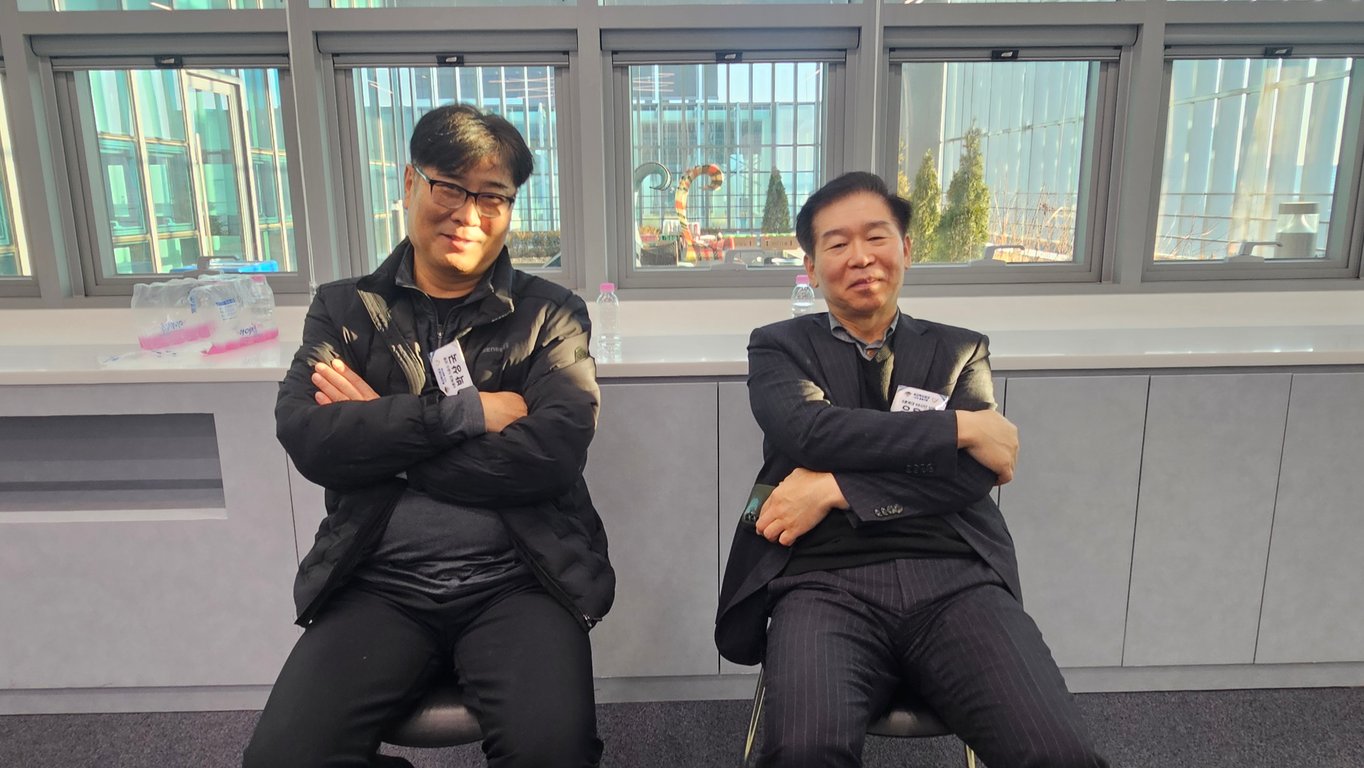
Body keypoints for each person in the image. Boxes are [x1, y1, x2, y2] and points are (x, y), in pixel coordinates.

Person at [244, 104, 613, 768]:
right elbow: (309, 436)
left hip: (520, 578)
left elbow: (551, 457)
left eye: (493, 196)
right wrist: (463, 416)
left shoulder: (552, 314)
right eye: (451, 187)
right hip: (378, 581)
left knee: (553, 753)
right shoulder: (345, 309)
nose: (469, 214)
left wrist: (387, 443)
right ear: (411, 183)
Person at [715, 171, 1107, 768]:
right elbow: (810, 432)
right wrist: (959, 428)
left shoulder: (960, 349)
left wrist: (838, 487)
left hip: (956, 576)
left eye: (876, 237)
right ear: (812, 267)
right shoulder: (778, 346)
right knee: (803, 752)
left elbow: (974, 475)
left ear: (906, 249)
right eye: (838, 243)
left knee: (1059, 752)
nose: (860, 256)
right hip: (821, 579)